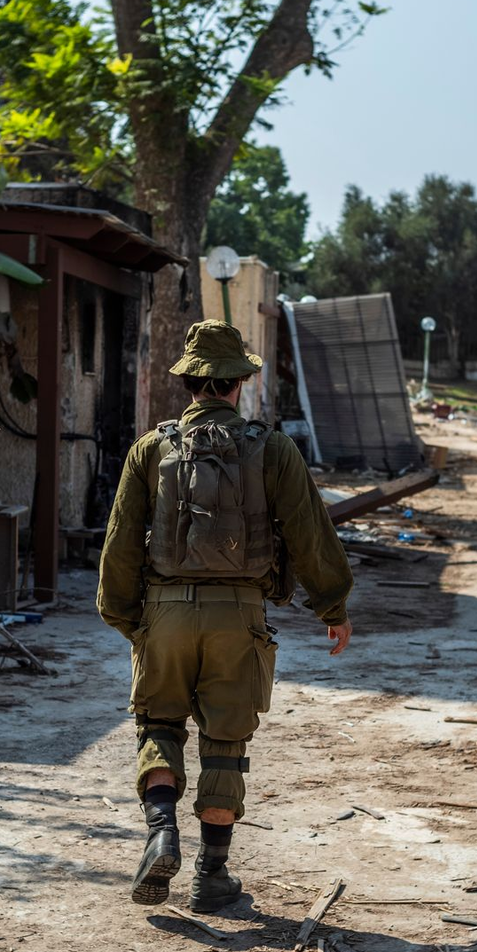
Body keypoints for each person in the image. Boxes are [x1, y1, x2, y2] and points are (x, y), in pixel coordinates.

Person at [97, 319, 354, 913]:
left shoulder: (151, 448)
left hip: (162, 615)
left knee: (158, 727)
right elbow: (309, 531)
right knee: (225, 744)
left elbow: (120, 543)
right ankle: (211, 877)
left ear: (189, 381)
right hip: (240, 619)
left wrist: (129, 619)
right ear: (240, 381)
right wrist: (332, 606)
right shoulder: (274, 449)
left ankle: (162, 832)